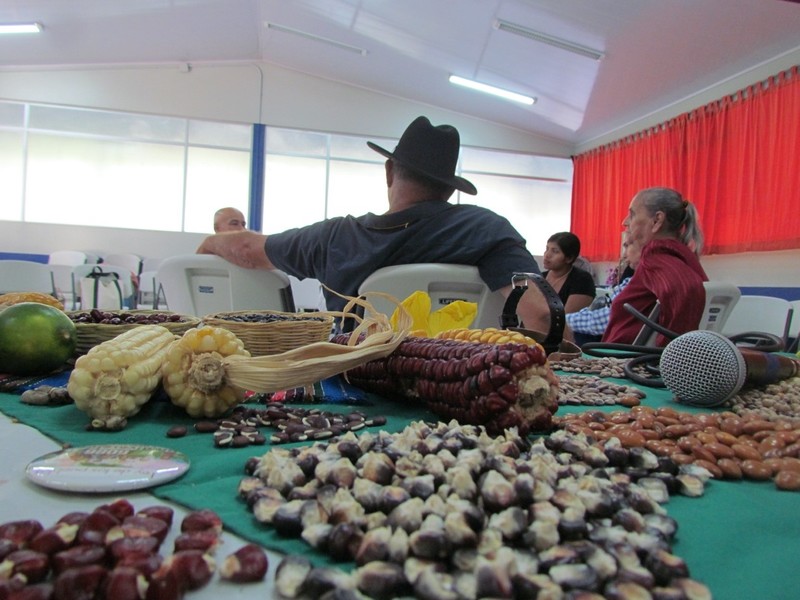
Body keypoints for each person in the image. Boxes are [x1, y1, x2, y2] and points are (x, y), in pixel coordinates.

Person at [196, 116, 551, 332]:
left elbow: (247, 249)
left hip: (354, 390)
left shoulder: (332, 238)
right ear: (449, 189)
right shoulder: (486, 230)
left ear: (389, 172)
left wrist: (209, 244)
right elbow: (543, 316)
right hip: (462, 393)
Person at [602, 187, 708, 346]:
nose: (625, 222)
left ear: (657, 220)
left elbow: (686, 290)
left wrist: (670, 352)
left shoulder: (657, 255)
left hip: (623, 357)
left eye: (632, 214)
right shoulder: (684, 256)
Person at [565, 236, 641, 346]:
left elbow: (609, 318)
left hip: (614, 347)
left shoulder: (581, 278)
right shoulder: (545, 276)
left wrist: (561, 321)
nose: (624, 255)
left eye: (628, 245)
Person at [541, 232, 596, 313]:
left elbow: (567, 317)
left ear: (569, 258)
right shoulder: (539, 277)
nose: (547, 255)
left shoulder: (582, 280)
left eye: (555, 251)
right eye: (547, 249)